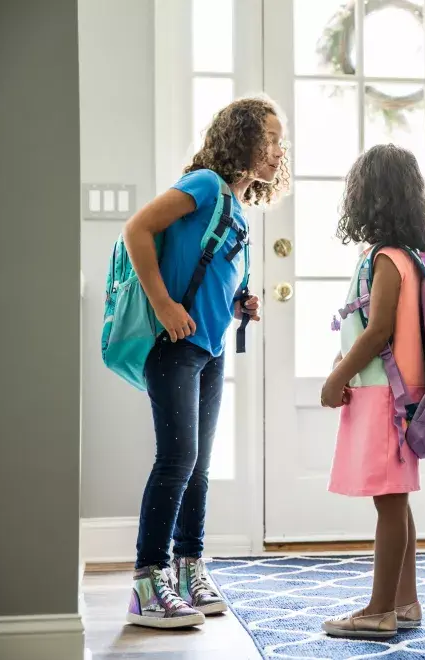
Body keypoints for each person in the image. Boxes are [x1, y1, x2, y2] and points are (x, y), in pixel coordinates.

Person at [121, 96, 289, 629]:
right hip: (175, 344)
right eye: (270, 138)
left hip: (208, 348)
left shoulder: (237, 206)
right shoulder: (205, 185)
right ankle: (148, 583)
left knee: (197, 465)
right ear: (242, 139)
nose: (278, 151)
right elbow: (137, 230)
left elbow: (211, 270)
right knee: (176, 460)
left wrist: (239, 302)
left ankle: (191, 567)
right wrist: (165, 305)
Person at [318, 144, 425, 639]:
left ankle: (379, 610)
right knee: (396, 501)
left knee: (389, 504)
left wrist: (337, 376)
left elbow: (377, 330)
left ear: (367, 199)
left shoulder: (387, 259)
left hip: (382, 397)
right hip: (391, 395)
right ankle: (405, 602)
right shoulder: (407, 257)